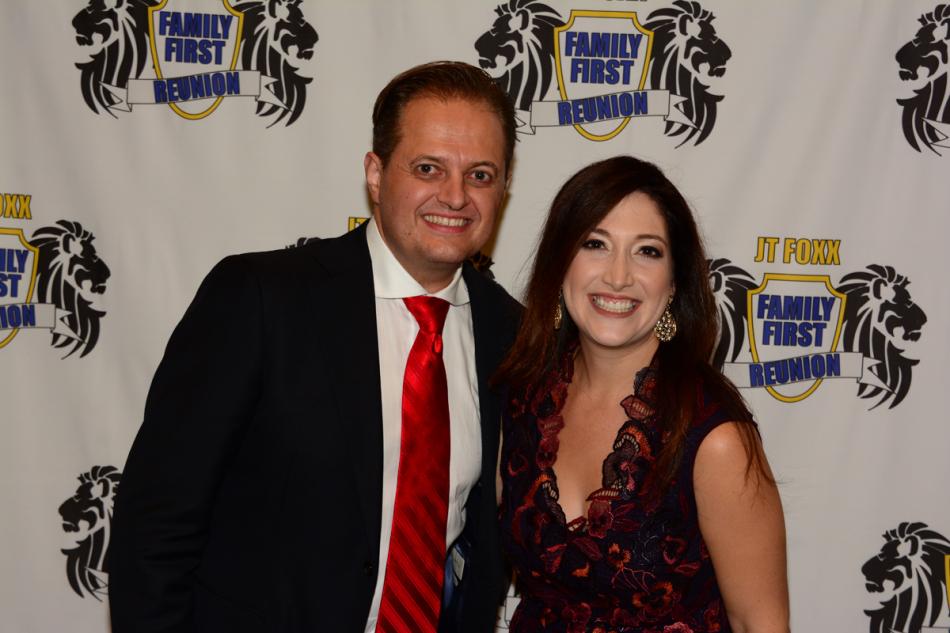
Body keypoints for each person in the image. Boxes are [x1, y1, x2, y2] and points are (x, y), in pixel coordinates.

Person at [109, 61, 520, 633]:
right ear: (375, 174)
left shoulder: (512, 334)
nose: (455, 196)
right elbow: (156, 524)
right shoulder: (261, 299)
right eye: (428, 168)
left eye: (480, 175)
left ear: (502, 189)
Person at [495, 156, 789, 632]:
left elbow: (761, 622)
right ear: (559, 265)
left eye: (647, 251)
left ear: (673, 283)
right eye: (595, 244)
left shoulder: (714, 439)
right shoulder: (520, 402)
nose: (618, 276)